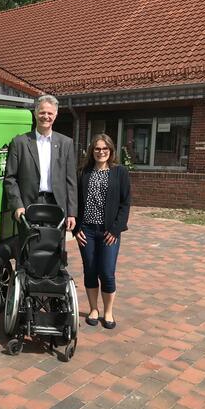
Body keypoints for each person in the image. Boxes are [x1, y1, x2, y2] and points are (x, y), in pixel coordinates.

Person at [74, 134, 130, 329]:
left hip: (109, 232)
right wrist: (76, 229)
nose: (101, 152)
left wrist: (115, 230)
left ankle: (108, 312)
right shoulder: (83, 172)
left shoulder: (119, 172)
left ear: (111, 150)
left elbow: (125, 203)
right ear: (92, 151)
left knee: (106, 272)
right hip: (86, 230)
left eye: (104, 148)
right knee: (90, 270)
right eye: (97, 148)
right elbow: (76, 203)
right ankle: (93, 309)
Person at [4, 94, 77, 231]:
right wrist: (17, 205)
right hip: (28, 206)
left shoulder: (66, 143)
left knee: (54, 249)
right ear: (35, 113)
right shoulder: (20, 142)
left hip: (56, 205)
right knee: (29, 248)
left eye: (50, 113)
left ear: (55, 115)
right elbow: (10, 178)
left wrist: (72, 213)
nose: (46, 116)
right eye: (42, 112)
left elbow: (71, 181)